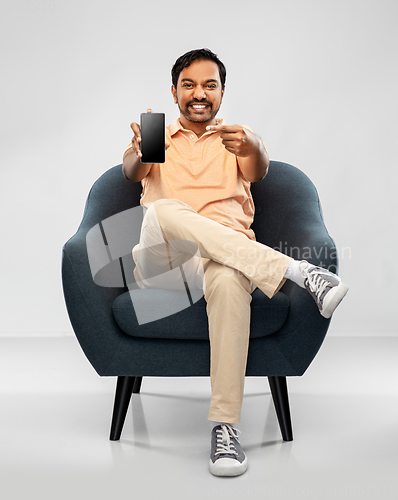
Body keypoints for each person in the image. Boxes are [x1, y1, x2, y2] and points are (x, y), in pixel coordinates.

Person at [122, 48, 348, 477]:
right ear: (175, 92)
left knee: (227, 279)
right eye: (189, 85)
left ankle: (225, 429)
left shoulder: (236, 139)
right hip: (165, 267)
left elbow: (258, 171)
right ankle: (297, 272)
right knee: (164, 211)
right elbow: (132, 172)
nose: (199, 93)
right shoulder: (156, 136)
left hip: (225, 262)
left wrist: (256, 145)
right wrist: (138, 152)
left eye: (209, 85)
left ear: (222, 92)